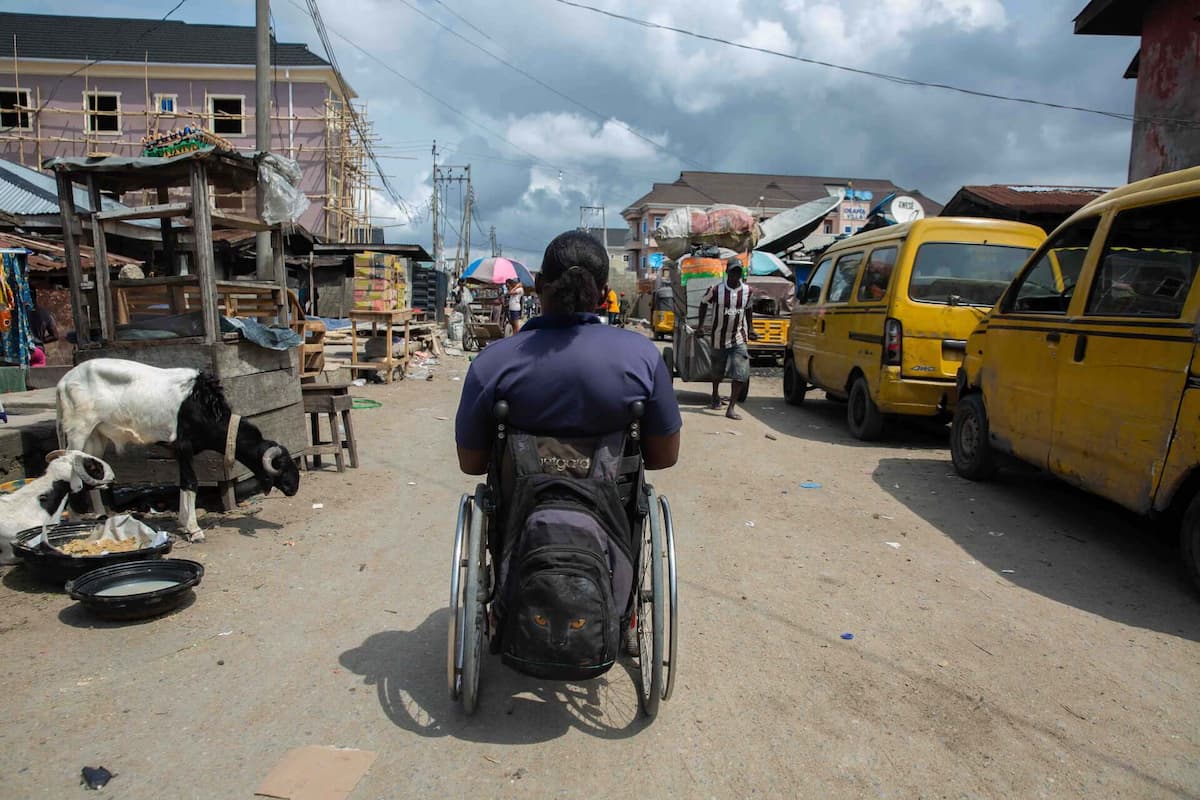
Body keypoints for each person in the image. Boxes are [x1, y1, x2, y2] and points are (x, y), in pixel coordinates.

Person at [455, 231, 681, 655]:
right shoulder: (642, 358)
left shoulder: (493, 363)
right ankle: (619, 612)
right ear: (605, 295)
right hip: (611, 517)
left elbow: (471, 463)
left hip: (520, 514)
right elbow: (664, 457)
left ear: (539, 286)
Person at [697, 257, 757, 420]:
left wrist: (750, 328)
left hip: (739, 337)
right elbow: (703, 303)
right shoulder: (716, 290)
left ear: (741, 273)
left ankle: (731, 407)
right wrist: (701, 325)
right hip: (718, 338)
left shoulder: (748, 291)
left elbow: (749, 308)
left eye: (738, 271)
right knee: (717, 372)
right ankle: (715, 394)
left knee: (740, 372)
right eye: (732, 271)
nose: (735, 275)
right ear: (727, 272)